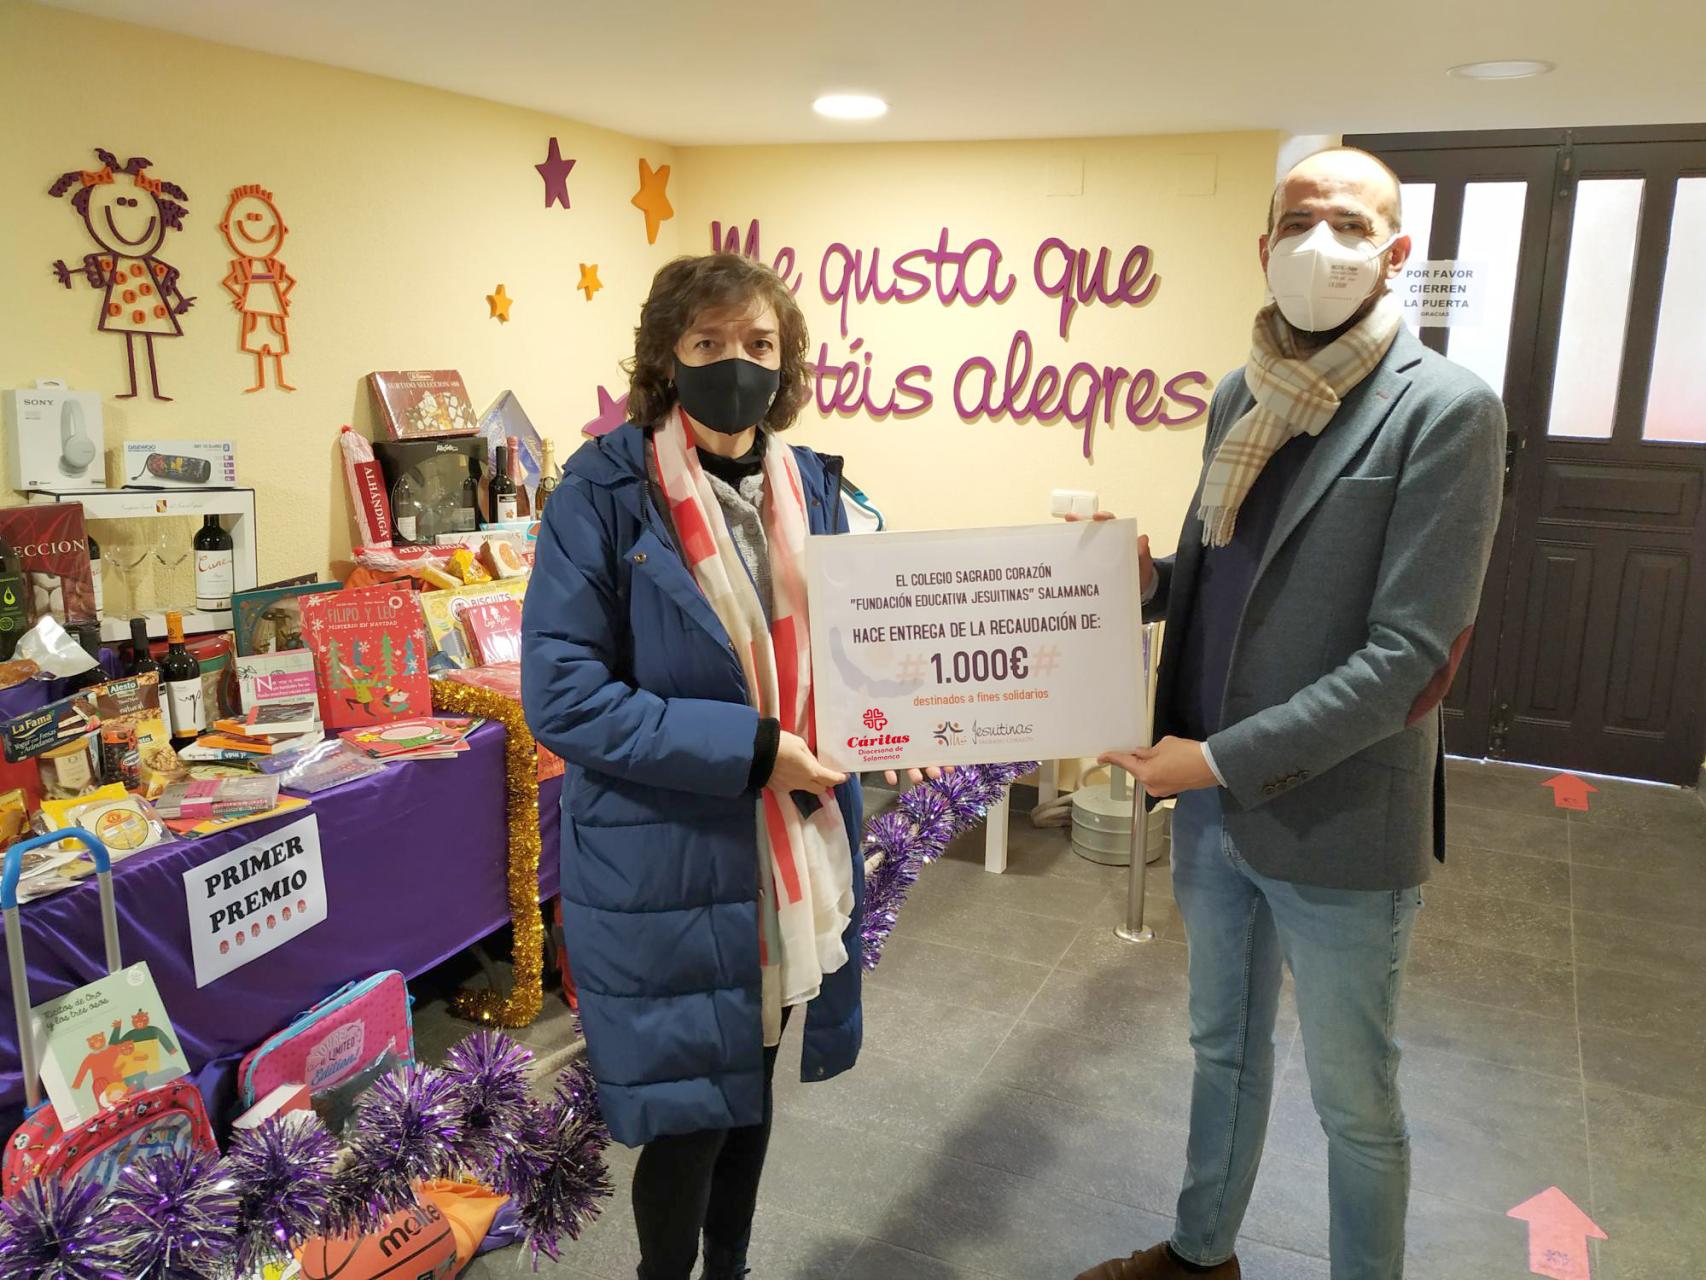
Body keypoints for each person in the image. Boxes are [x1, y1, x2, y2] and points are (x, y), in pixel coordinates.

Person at [1078, 148, 1505, 1280]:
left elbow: (1404, 660)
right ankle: (1199, 1250)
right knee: (1221, 1048)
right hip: (1214, 810)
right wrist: (1143, 582)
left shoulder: (1446, 411)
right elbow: (1221, 571)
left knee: (1353, 1099)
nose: (1322, 244)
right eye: (1299, 220)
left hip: (1336, 820)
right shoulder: (1240, 391)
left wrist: (1213, 759)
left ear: (1394, 254)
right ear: (1262, 247)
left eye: (1351, 225)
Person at [523, 254, 923, 1280]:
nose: (734, 364)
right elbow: (564, 697)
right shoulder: (603, 492)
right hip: (667, 858)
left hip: (789, 851)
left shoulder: (816, 488)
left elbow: (853, 647)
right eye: (707, 344)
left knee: (748, 1086)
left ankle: (729, 1268)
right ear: (666, 358)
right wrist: (752, 751)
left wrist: (900, 716)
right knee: (690, 1117)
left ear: (784, 361)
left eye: (757, 344)